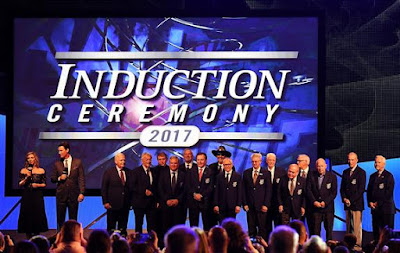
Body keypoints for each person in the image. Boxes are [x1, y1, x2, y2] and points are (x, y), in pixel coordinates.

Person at [51, 142, 85, 231]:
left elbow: (81, 178)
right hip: (61, 195)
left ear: (67, 150)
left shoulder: (77, 162)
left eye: (61, 150)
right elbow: (52, 178)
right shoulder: (57, 164)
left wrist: (82, 193)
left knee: (73, 220)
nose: (59, 153)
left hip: (73, 195)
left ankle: (73, 238)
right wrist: (59, 178)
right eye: (58, 151)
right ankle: (60, 239)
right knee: (60, 220)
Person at [18, 151, 48, 239]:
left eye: (32, 157)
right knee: (27, 217)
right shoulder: (23, 170)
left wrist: (37, 185)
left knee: (37, 216)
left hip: (37, 196)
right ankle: (28, 240)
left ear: (35, 159)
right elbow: (20, 184)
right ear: (26, 160)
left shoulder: (41, 170)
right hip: (27, 196)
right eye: (28, 158)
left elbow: (44, 184)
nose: (30, 159)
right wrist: (27, 177)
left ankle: (37, 240)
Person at [242, 153, 272, 241]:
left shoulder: (266, 173)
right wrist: (244, 204)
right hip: (250, 207)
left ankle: (263, 249)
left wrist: (266, 204)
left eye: (256, 161)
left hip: (261, 206)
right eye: (253, 162)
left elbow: (268, 190)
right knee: (251, 229)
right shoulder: (246, 173)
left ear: (260, 162)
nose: (254, 163)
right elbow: (243, 190)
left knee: (262, 229)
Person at [340, 152, 366, 249]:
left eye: (352, 160)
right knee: (348, 227)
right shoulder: (345, 172)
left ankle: (357, 246)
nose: (350, 162)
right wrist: (344, 199)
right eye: (349, 160)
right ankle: (349, 246)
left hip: (356, 204)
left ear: (357, 160)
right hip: (347, 204)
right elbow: (342, 188)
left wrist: (351, 200)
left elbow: (361, 190)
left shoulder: (361, 172)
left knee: (356, 227)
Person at [307, 158, 337, 240]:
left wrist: (325, 202)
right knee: (315, 231)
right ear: (316, 166)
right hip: (316, 208)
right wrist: (314, 202)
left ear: (326, 166)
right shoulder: (311, 175)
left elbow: (333, 193)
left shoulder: (332, 176)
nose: (320, 168)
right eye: (318, 166)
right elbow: (308, 190)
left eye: (322, 166)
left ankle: (329, 248)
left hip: (328, 209)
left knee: (329, 231)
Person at [367, 155, 395, 242]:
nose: (376, 164)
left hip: (386, 210)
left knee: (387, 233)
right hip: (375, 210)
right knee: (376, 232)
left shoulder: (388, 176)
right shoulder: (372, 176)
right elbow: (369, 191)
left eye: (378, 162)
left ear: (384, 164)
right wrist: (370, 202)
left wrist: (378, 203)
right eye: (375, 162)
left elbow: (388, 193)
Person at [101, 153, 131, 236]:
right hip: (112, 205)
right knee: (111, 229)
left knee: (123, 229)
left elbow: (130, 188)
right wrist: (105, 202)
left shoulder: (128, 172)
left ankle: (123, 246)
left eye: (124, 160)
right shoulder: (109, 172)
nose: (123, 162)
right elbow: (104, 188)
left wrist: (130, 203)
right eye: (121, 160)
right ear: (116, 161)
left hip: (125, 206)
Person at [158, 156, 186, 239]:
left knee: (178, 231)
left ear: (178, 164)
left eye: (175, 163)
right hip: (166, 207)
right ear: (169, 164)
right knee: (166, 229)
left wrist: (177, 200)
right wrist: (166, 200)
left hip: (179, 207)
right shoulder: (163, 174)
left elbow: (185, 190)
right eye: (172, 163)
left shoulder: (183, 175)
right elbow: (160, 188)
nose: (173, 165)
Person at [185, 152, 215, 230]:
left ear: (206, 160)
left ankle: (206, 241)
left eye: (202, 160)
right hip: (193, 202)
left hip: (205, 202)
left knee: (207, 225)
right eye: (198, 160)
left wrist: (201, 195)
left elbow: (210, 187)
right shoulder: (191, 171)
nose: (200, 162)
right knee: (193, 226)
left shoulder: (210, 172)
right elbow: (188, 185)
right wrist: (194, 194)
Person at [131, 152, 157, 233]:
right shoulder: (136, 171)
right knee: (139, 225)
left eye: (150, 160)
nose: (149, 161)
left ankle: (151, 243)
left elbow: (156, 186)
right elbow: (132, 186)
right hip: (139, 204)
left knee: (151, 226)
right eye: (147, 160)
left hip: (151, 204)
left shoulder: (153, 171)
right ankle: (138, 243)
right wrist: (144, 191)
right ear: (142, 160)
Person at [213, 157, 242, 223]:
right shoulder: (219, 177)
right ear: (223, 165)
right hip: (221, 206)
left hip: (233, 206)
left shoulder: (237, 176)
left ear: (232, 165)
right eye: (225, 165)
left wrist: (238, 205)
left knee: (231, 225)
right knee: (222, 224)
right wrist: (216, 204)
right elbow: (216, 191)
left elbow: (239, 191)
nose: (227, 166)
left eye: (229, 164)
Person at [265, 152, 286, 239]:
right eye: (269, 160)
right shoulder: (262, 172)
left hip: (278, 204)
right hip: (266, 204)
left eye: (273, 160)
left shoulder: (281, 172)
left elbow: (284, 189)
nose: (271, 162)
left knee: (278, 226)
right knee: (267, 227)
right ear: (266, 161)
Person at [297, 154, 314, 235]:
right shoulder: (296, 173)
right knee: (299, 228)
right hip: (298, 206)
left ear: (307, 162)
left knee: (312, 227)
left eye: (299, 161)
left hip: (311, 205)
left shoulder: (313, 174)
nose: (297, 162)